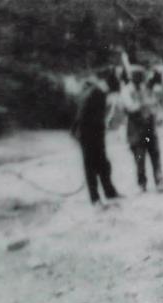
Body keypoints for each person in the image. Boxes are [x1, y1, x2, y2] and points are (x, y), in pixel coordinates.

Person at [71, 70, 121, 205]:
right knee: (91, 167)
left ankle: (109, 193)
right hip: (88, 134)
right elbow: (82, 115)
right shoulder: (95, 93)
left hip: (94, 133)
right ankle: (95, 198)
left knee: (103, 164)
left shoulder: (95, 92)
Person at [118, 69, 163, 193]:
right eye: (137, 77)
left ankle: (159, 182)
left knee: (155, 154)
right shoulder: (126, 91)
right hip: (136, 127)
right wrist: (143, 104)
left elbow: (154, 103)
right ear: (132, 78)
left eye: (141, 77)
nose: (140, 80)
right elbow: (131, 107)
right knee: (139, 157)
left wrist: (147, 105)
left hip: (148, 125)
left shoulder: (145, 89)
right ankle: (142, 183)